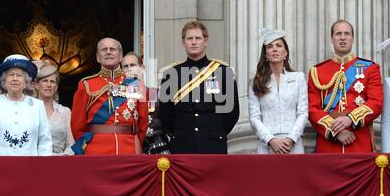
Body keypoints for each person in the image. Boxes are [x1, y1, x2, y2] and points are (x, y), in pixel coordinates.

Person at [159, 21, 240, 154]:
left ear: (205, 41)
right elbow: (166, 112)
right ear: (183, 42)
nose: (194, 42)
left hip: (213, 144)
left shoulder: (223, 72)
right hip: (183, 144)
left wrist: (216, 132)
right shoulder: (171, 74)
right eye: (189, 38)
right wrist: (180, 133)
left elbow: (232, 112)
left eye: (198, 38)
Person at [308, 20, 383, 153]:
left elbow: (376, 102)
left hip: (359, 140)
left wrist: (350, 119)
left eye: (346, 34)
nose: (342, 37)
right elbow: (312, 109)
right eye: (338, 34)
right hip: (329, 144)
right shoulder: (317, 71)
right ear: (332, 39)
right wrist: (335, 131)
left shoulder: (370, 68)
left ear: (352, 38)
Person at [71, 38, 149, 155]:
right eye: (104, 49)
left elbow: (143, 123)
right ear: (98, 57)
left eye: (112, 49)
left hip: (129, 149)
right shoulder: (86, 85)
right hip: (96, 151)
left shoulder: (137, 84)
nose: (108, 52)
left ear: (121, 56)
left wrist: (136, 144)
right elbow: (77, 126)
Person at [0, 54, 52, 156]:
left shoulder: (37, 105)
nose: (15, 78)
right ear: (4, 81)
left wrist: (44, 166)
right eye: (11, 75)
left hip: (29, 166)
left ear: (26, 82)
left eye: (19, 75)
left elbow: (45, 141)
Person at [248, 29, 308, 154]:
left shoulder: (298, 78)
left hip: (293, 144)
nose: (274, 49)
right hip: (267, 145)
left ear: (285, 52)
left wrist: (291, 138)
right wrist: (271, 140)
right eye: (270, 46)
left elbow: (303, 113)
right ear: (265, 54)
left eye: (279, 45)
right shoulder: (256, 81)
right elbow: (254, 117)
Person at [121, 52, 170, 154]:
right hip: (129, 148)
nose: (129, 69)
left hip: (157, 148)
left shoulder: (156, 93)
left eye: (133, 65)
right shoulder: (118, 98)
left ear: (142, 68)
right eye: (125, 66)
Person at [34, 61, 75, 155]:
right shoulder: (29, 110)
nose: (48, 85)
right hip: (34, 162)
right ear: (37, 85)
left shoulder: (65, 111)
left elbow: (71, 143)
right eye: (45, 81)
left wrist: (63, 157)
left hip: (59, 163)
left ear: (56, 87)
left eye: (52, 81)